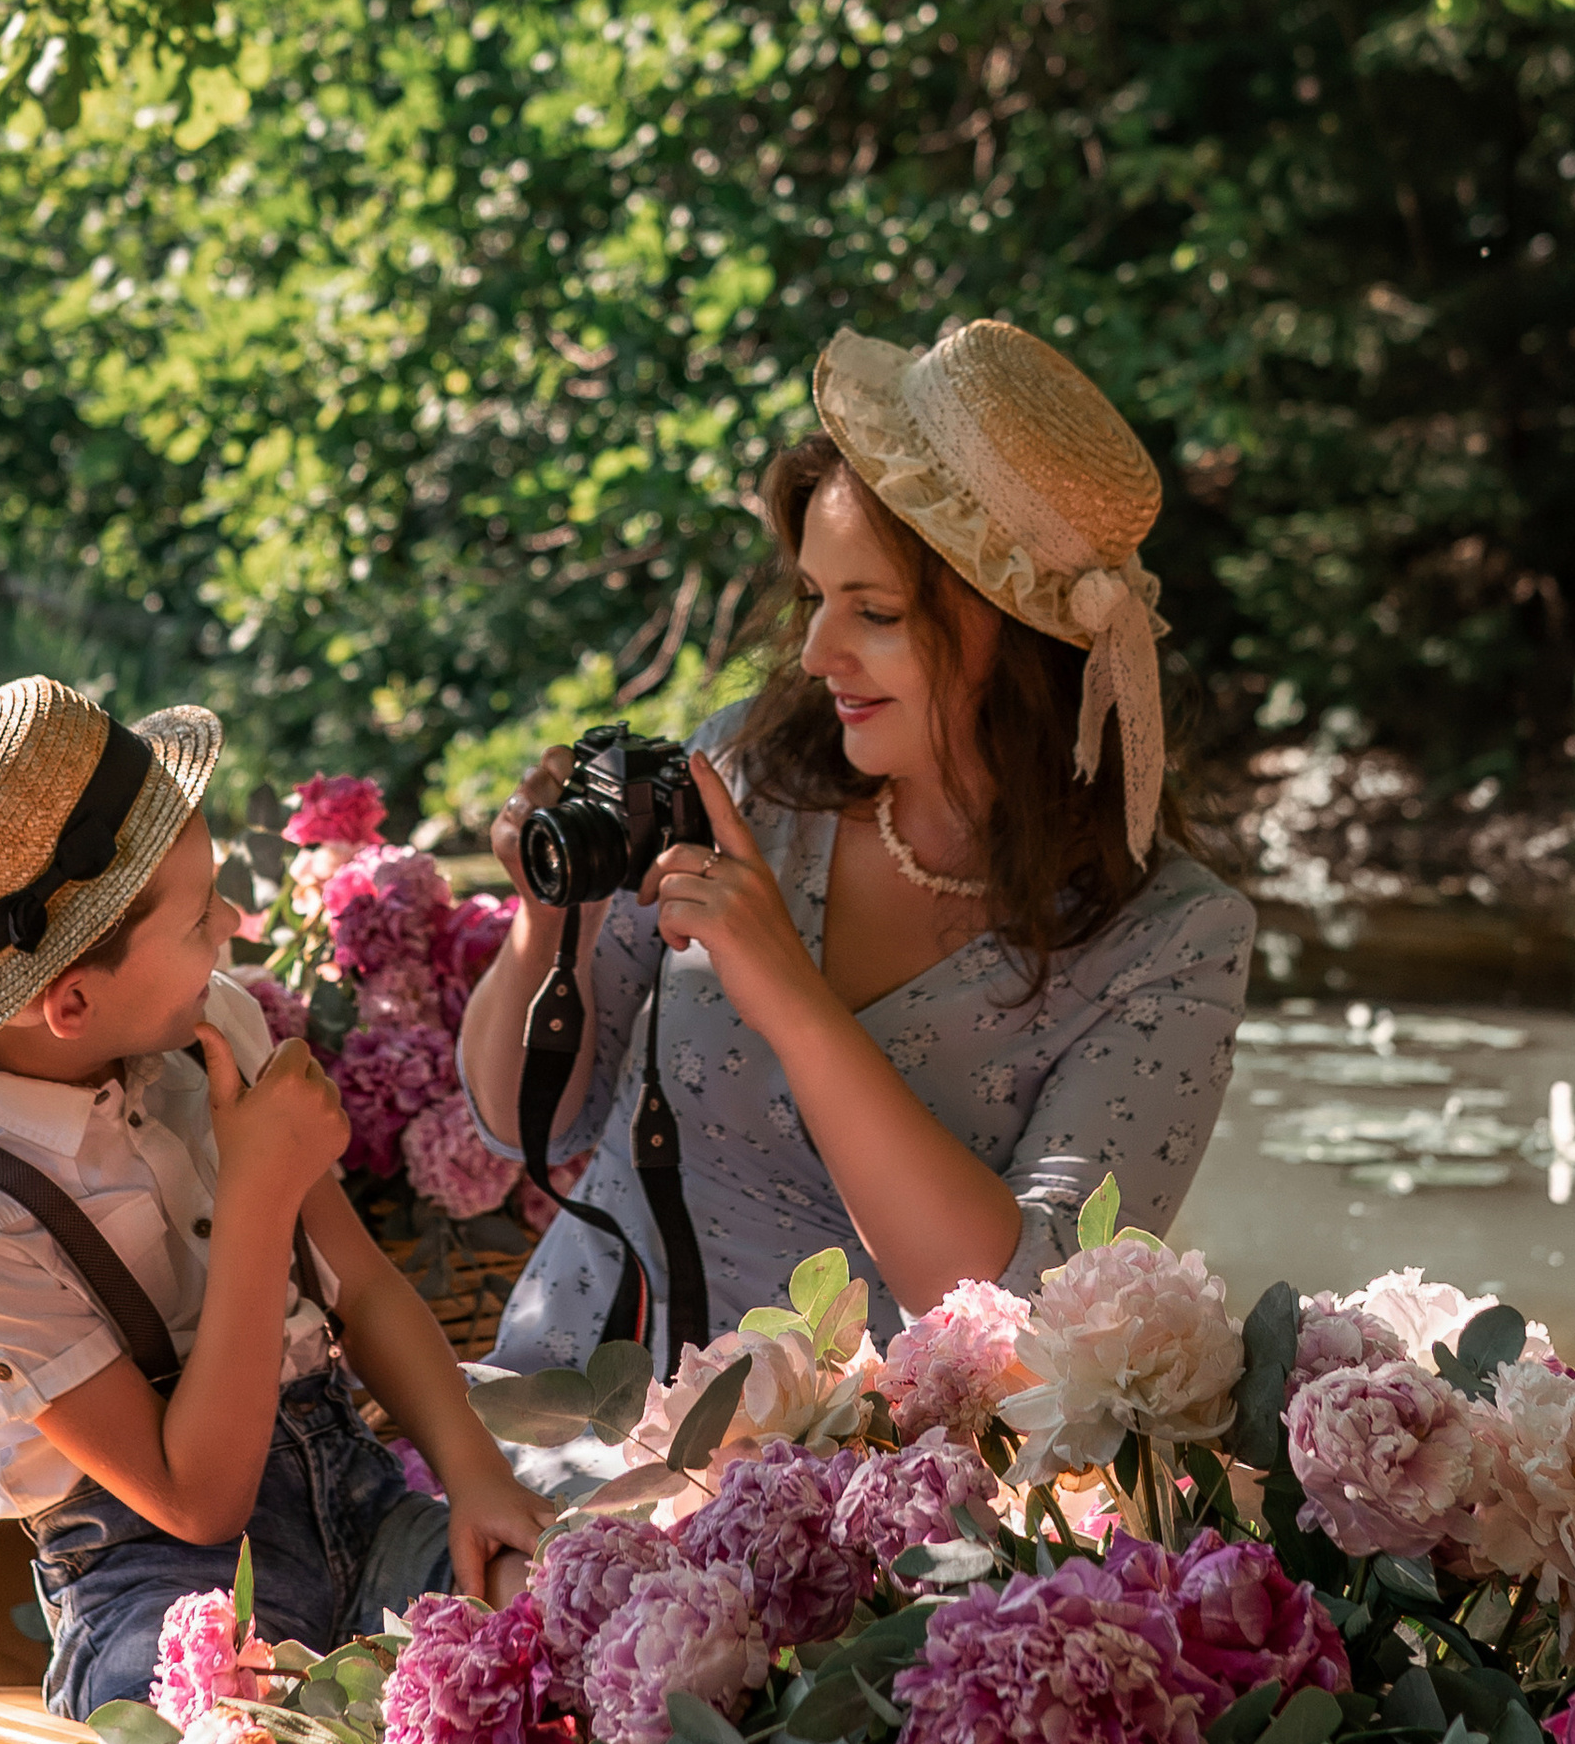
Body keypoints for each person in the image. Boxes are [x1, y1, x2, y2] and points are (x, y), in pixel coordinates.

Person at [457, 318, 1255, 1371]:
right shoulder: (742, 777)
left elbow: (1034, 1313)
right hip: (573, 1393)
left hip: (869, 1462)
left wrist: (792, 1001)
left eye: (873, 612)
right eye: (814, 599)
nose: (816, 653)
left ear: (1018, 637)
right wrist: (548, 921)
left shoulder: (1176, 941)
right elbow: (525, 1124)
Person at [0, 676, 550, 1715]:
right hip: (160, 1580)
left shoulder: (214, 1025)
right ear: (72, 1002)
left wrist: (476, 1475)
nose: (231, 923)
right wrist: (259, 1188)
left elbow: (361, 1289)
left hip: (358, 1504)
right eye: (198, 919)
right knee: (204, 1733)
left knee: (558, 1612)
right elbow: (198, 1500)